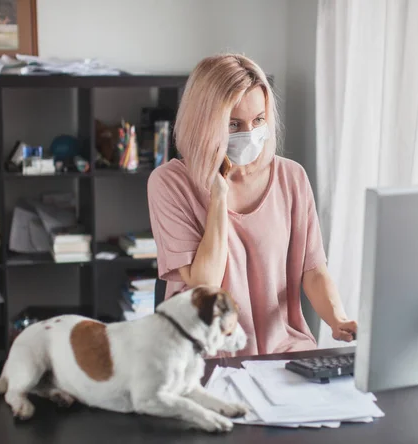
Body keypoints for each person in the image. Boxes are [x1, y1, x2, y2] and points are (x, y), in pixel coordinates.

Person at [147, 53, 357, 356]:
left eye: (258, 120)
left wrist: (338, 320)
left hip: (283, 352)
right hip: (205, 357)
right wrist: (218, 195)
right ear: (204, 122)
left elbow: (313, 270)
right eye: (233, 124)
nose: (249, 134)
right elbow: (205, 283)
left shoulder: (291, 176)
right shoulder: (169, 183)